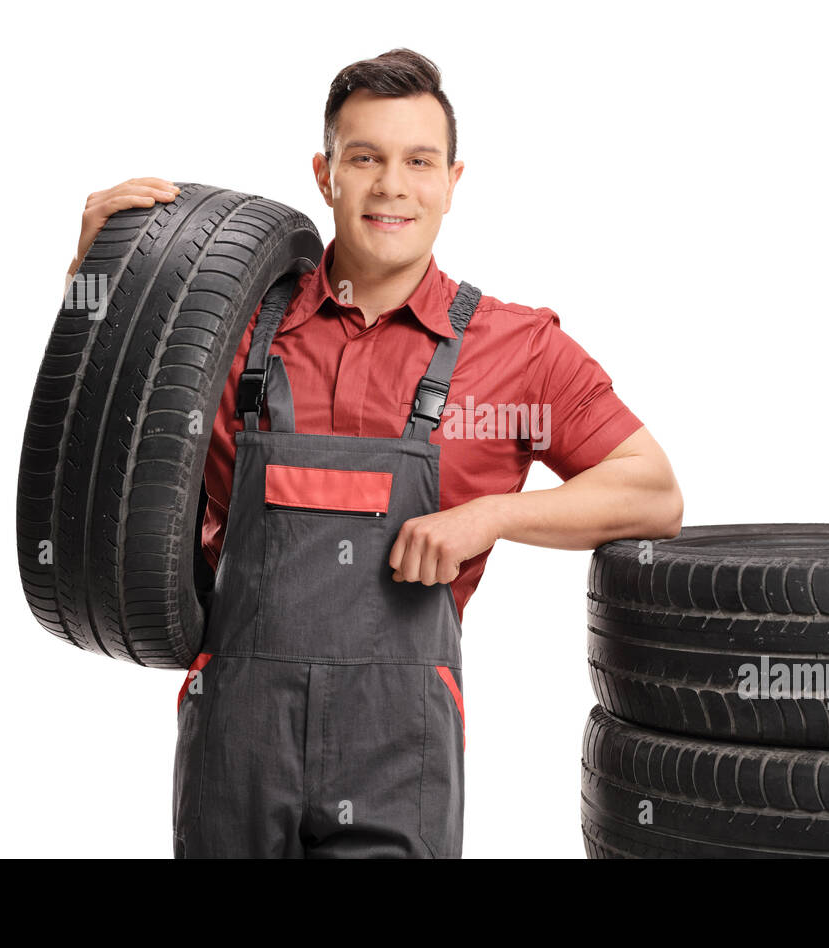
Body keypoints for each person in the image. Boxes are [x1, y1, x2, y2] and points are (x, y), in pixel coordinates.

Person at [64, 48, 683, 858]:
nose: (393, 185)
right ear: (324, 174)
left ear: (453, 182)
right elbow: (101, 432)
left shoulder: (516, 348)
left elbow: (652, 493)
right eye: (366, 158)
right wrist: (100, 278)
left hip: (398, 750)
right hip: (235, 741)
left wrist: (487, 516)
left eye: (418, 161)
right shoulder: (225, 328)